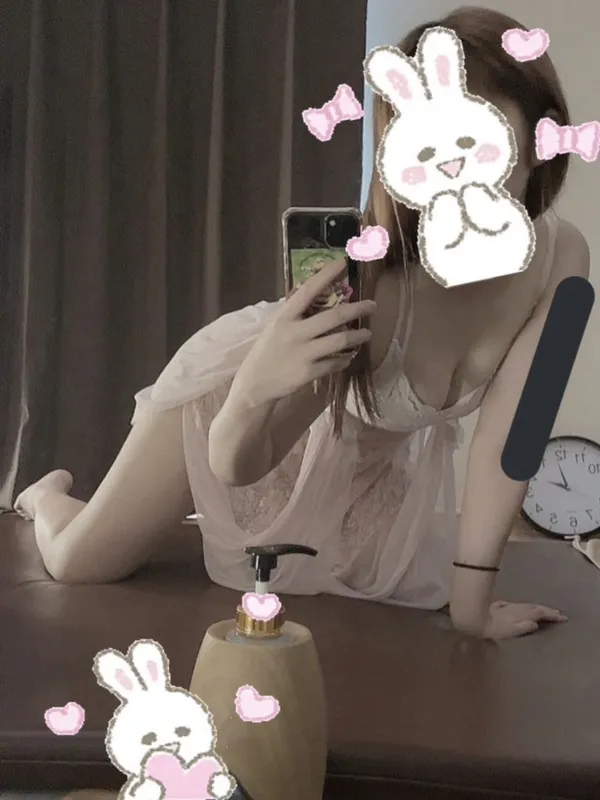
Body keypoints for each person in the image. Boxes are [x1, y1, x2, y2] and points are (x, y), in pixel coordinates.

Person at [14, 6, 590, 639]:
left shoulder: (568, 258)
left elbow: (515, 440)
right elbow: (243, 462)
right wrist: (252, 390)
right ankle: (47, 496)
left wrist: (472, 612)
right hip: (244, 395)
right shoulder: (371, 284)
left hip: (368, 456)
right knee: (80, 563)